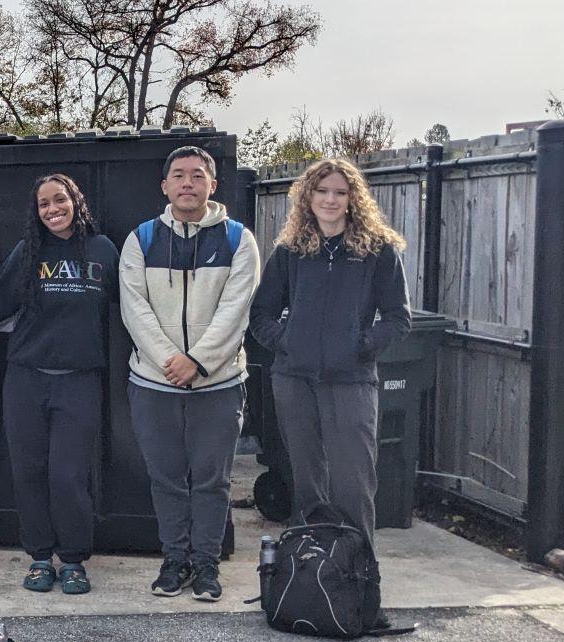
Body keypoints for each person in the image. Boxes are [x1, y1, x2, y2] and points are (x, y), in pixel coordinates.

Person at [118, 146, 261, 602]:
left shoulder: (239, 240)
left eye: (197, 176)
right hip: (153, 382)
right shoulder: (140, 239)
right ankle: (174, 560)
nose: (187, 183)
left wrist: (197, 361)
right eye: (178, 175)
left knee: (211, 480)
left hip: (218, 384)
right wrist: (170, 361)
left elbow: (236, 310)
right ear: (165, 186)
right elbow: (134, 309)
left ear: (212, 185)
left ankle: (206, 565)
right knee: (166, 478)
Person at [249, 157, 411, 546]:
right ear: (308, 197)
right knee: (307, 484)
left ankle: (359, 585)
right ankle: (313, 579)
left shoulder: (378, 251)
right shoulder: (290, 251)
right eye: (322, 191)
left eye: (340, 192)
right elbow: (261, 314)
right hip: (294, 381)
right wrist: (287, 343)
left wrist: (360, 346)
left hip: (352, 382)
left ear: (354, 199)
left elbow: (397, 319)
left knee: (353, 485)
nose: (330, 200)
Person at [0, 173, 121, 596]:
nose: (53, 209)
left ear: (76, 201)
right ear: (35, 212)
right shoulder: (28, 252)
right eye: (44, 204)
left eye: (60, 200)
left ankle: (73, 559)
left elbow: (121, 311)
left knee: (69, 474)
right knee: (29, 471)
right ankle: (40, 557)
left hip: (80, 381)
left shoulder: (103, 250)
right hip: (26, 380)